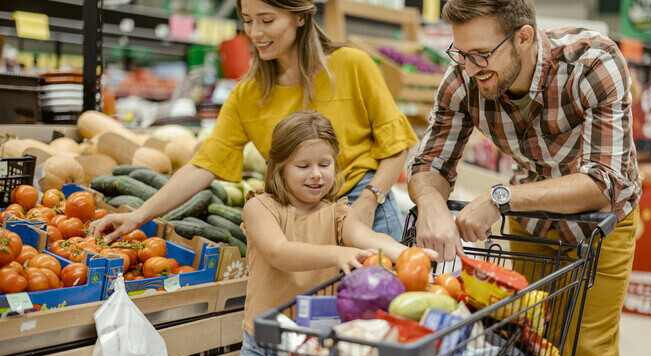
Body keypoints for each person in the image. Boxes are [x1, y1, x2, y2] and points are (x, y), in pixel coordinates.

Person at [407, 0, 641, 356]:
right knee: (531, 343)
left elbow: (605, 182)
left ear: (524, 37)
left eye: (481, 54)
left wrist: (501, 197)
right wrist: (431, 205)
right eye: (460, 54)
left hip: (601, 226)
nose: (469, 67)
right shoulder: (463, 80)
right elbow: (429, 163)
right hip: (531, 224)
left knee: (584, 354)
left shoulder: (593, 62)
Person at [91, 0, 417, 244]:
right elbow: (203, 166)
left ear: (301, 16)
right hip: (298, 219)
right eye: (247, 20)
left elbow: (396, 145)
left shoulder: (351, 65)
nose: (255, 33)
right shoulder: (248, 95)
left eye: (267, 20)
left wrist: (368, 201)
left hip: (364, 207)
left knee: (371, 322)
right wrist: (139, 215)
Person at [239, 110, 433, 356]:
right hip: (263, 346)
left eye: (325, 164)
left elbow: (368, 237)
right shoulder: (261, 207)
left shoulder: (337, 212)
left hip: (318, 350)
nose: (316, 174)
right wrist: (337, 253)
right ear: (279, 168)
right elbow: (278, 252)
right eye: (303, 165)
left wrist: (409, 255)